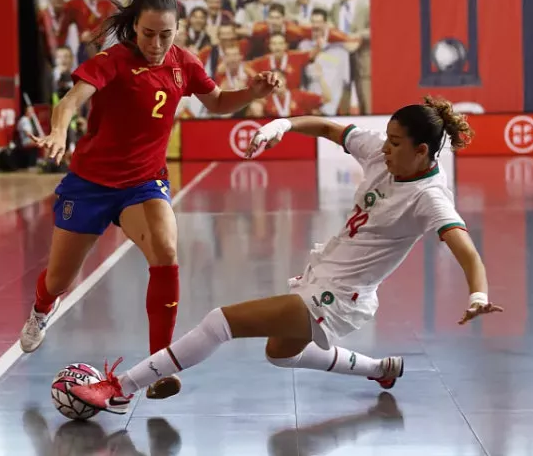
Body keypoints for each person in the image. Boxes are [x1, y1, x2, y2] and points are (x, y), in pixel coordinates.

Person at [66, 96, 505, 414]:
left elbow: (466, 250)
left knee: (220, 322)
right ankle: (379, 368)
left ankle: (120, 389)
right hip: (322, 278)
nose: (384, 147)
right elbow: (331, 128)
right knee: (280, 354)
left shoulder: (430, 198)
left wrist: (478, 294)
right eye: (386, 139)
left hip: (340, 297)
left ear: (422, 151)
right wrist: (284, 124)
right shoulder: (382, 154)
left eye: (394, 143)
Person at [20, 0, 281, 400]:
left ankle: (159, 363)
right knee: (59, 279)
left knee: (166, 251)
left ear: (177, 29)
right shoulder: (113, 60)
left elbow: (215, 103)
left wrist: (252, 93)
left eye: (166, 34)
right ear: (133, 29)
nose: (157, 44)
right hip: (89, 184)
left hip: (142, 183)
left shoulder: (185, 63)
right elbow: (71, 100)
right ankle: (41, 308)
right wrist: (56, 131)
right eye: (147, 34)